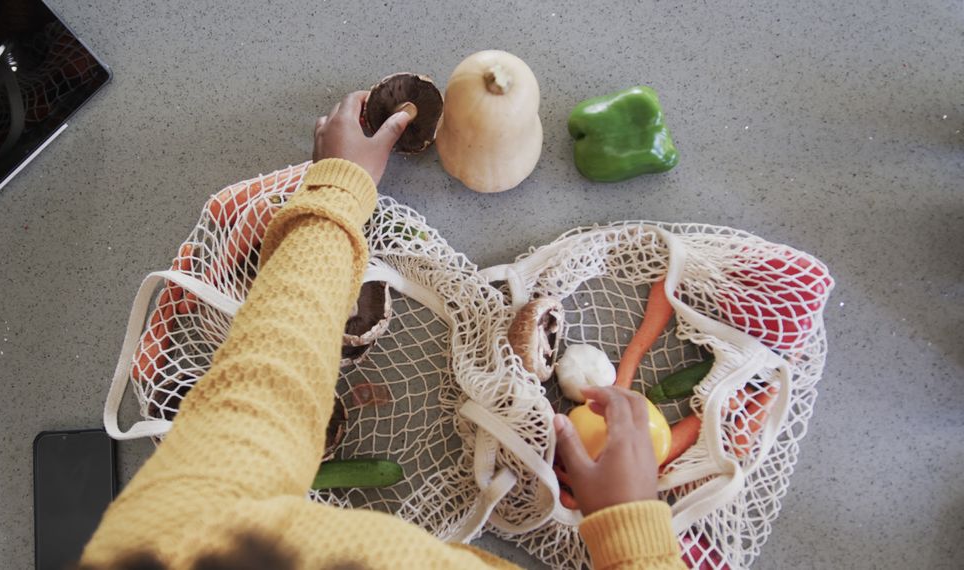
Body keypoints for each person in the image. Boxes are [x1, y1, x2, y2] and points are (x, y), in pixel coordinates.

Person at [80, 91, 686, 570]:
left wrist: (340, 190)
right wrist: (633, 535)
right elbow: (263, 394)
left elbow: (262, 399)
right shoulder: (169, 537)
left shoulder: (168, 541)